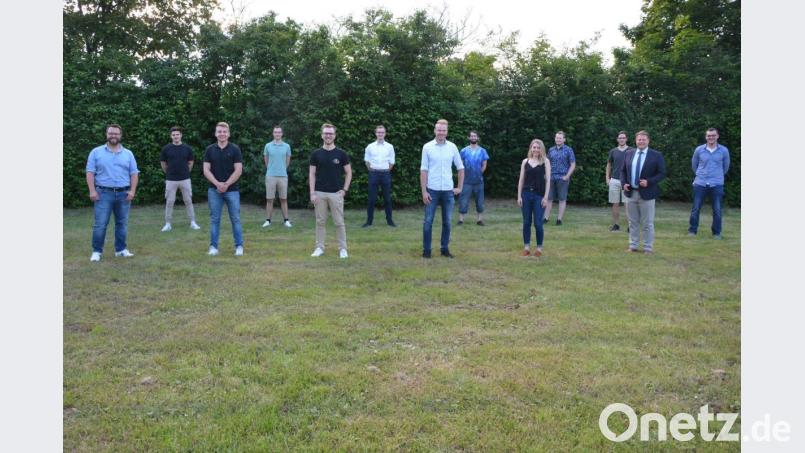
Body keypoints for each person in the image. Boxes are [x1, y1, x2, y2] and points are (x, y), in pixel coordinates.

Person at [86, 124, 140, 262]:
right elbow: (90, 172)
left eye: (116, 134)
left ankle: (120, 250)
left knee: (122, 224)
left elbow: (134, 174)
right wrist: (92, 191)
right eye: (111, 133)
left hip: (124, 194)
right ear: (106, 134)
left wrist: (132, 191)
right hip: (103, 193)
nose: (113, 136)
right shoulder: (96, 152)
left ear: (120, 135)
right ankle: (97, 251)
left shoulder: (128, 154)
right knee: (100, 224)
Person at [420, 119, 464, 258]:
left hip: (447, 191)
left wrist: (459, 187)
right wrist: (424, 191)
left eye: (444, 130)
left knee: (447, 222)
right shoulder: (427, 147)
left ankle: (444, 248)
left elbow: (461, 168)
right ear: (434, 130)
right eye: (439, 130)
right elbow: (423, 170)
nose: (441, 133)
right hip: (431, 190)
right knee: (428, 222)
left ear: (447, 132)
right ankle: (426, 250)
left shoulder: (452, 147)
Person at [309, 123, 353, 258]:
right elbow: (312, 174)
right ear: (322, 135)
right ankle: (319, 247)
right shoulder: (316, 154)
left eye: (331, 133)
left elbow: (349, 173)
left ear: (335, 135)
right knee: (320, 222)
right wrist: (312, 192)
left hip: (336, 194)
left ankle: (343, 249)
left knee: (339, 222)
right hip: (319, 193)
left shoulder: (341, 154)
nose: (328, 135)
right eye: (326, 133)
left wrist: (344, 190)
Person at [621, 130, 666, 254]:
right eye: (639, 139)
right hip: (631, 193)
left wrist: (649, 181)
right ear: (635, 141)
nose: (641, 141)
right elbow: (623, 171)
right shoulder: (629, 153)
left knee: (647, 223)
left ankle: (648, 247)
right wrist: (623, 183)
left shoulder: (656, 155)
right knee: (632, 222)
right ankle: (633, 245)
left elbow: (662, 173)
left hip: (647, 194)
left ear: (648, 141)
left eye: (643, 139)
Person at [202, 122, 244, 256]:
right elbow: (206, 170)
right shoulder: (209, 150)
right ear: (215, 133)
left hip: (232, 190)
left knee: (235, 219)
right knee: (215, 219)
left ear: (229, 134)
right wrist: (217, 184)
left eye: (224, 132)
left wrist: (226, 184)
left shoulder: (235, 149)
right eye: (219, 131)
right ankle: (213, 247)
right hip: (214, 191)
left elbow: (238, 170)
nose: (222, 134)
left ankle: (239, 247)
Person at [688, 128, 730, 239]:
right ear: (706, 137)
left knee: (717, 209)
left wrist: (717, 176)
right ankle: (692, 230)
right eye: (708, 136)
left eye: (713, 135)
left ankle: (716, 233)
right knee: (696, 208)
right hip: (700, 183)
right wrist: (700, 175)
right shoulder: (699, 150)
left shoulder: (724, 151)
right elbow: (694, 165)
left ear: (717, 136)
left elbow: (725, 167)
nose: (711, 137)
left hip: (716, 184)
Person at [160, 126, 200, 232]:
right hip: (171, 179)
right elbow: (163, 164)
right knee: (169, 201)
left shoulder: (187, 148)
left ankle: (193, 222)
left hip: (185, 179)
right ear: (171, 136)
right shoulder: (166, 149)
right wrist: (169, 173)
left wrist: (186, 172)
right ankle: (168, 224)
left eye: (177, 134)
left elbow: (190, 163)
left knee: (188, 201)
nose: (175, 136)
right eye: (173, 135)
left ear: (181, 135)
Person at [517, 139, 551, 257]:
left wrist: (546, 197)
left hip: (539, 196)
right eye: (534, 147)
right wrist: (519, 196)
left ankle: (539, 248)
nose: (536, 149)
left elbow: (548, 181)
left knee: (538, 223)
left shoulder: (545, 162)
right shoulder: (525, 162)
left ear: (541, 149)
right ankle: (526, 247)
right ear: (531, 148)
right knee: (526, 222)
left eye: (538, 147)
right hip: (526, 195)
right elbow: (521, 180)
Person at [362, 125, 396, 227]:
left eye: (382, 132)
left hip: (385, 173)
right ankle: (369, 222)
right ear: (375, 133)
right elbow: (367, 161)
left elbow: (392, 162)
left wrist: (385, 170)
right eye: (378, 132)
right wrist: (373, 170)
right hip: (374, 174)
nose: (380, 134)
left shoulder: (390, 147)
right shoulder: (370, 146)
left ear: (385, 133)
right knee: (371, 199)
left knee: (387, 199)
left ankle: (390, 221)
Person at [262, 126, 293, 228]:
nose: (277, 134)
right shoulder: (268, 146)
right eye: (275, 132)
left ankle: (286, 220)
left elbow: (287, 161)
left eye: (279, 132)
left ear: (282, 134)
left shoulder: (287, 146)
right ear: (273, 133)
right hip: (270, 176)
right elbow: (266, 160)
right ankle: (268, 220)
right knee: (269, 199)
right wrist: (271, 169)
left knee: (283, 199)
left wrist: (282, 169)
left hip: (283, 176)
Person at [543, 130, 576, 225]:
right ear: (555, 139)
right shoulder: (551, 150)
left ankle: (559, 219)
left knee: (562, 199)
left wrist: (567, 176)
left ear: (564, 139)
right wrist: (546, 174)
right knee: (549, 198)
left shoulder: (568, 150)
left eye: (560, 138)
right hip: (551, 177)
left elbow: (573, 164)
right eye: (557, 138)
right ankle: (545, 218)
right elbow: (547, 163)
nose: (558, 139)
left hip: (563, 178)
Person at [458, 130, 489, 226]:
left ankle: (479, 220)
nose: (473, 138)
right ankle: (461, 220)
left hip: (478, 181)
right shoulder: (463, 150)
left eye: (475, 136)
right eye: (471, 136)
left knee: (480, 201)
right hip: (466, 181)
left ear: (478, 138)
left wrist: (479, 173)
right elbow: (460, 164)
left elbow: (484, 165)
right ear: (468, 138)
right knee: (463, 200)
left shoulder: (483, 151)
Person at [605, 131, 632, 231]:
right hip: (614, 180)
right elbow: (608, 165)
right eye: (620, 138)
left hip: (627, 182)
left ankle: (630, 226)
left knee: (628, 204)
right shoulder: (613, 151)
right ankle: (616, 225)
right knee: (615, 203)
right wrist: (607, 178)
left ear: (626, 139)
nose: (621, 139)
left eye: (623, 138)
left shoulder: (632, 150)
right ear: (617, 139)